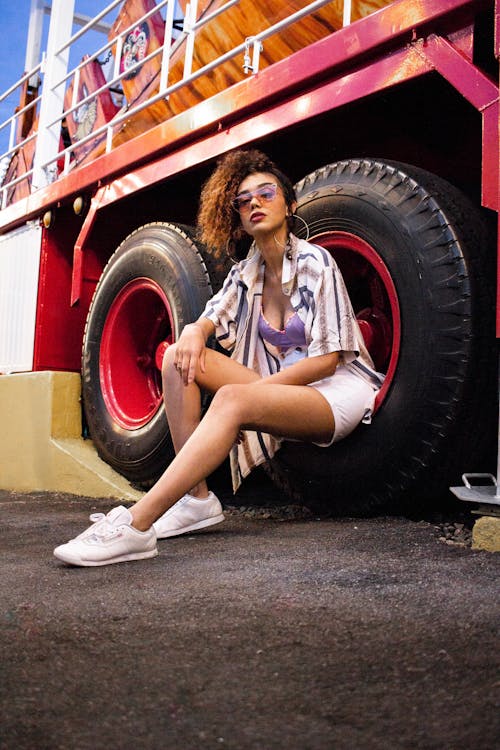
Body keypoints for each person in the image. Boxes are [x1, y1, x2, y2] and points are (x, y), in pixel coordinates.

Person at [54, 149, 383, 567]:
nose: (255, 204)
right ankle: (196, 501)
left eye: (266, 193)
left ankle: (135, 525)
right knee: (177, 358)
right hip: (282, 390)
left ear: (289, 203)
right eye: (244, 201)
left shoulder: (316, 262)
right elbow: (209, 319)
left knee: (232, 399)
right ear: (239, 218)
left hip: (336, 392)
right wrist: (193, 331)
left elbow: (328, 360)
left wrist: (252, 398)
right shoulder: (246, 275)